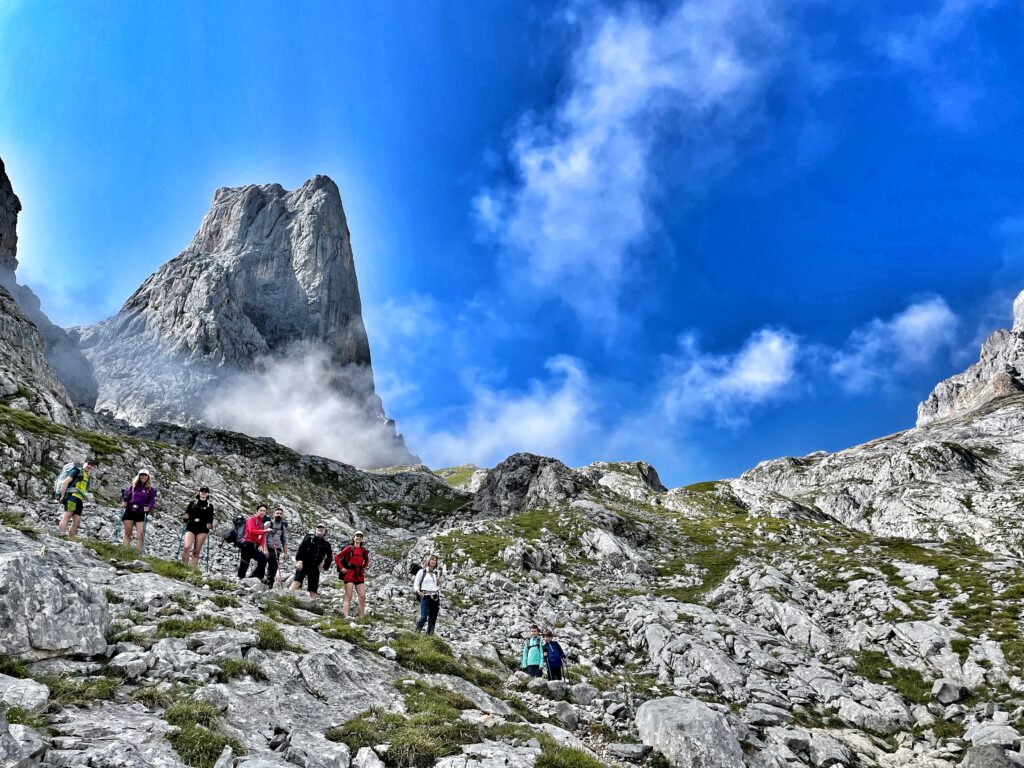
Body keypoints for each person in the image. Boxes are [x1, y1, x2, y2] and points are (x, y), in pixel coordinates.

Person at [290, 523, 333, 602]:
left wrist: (325, 566)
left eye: (322, 529)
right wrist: (299, 561)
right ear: (315, 530)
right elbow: (301, 549)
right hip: (304, 563)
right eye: (318, 528)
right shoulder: (309, 537)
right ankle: (288, 596)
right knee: (297, 580)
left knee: (313, 586)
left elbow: (329, 556)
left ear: (325, 532)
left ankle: (313, 603)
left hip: (315, 566)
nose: (320, 530)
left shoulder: (326, 544)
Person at [335, 531, 370, 618]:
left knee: (362, 596)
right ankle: (346, 617)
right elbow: (337, 557)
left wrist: (364, 567)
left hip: (359, 574)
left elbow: (367, 560)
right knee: (348, 596)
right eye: (357, 536)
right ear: (353, 538)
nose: (358, 538)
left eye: (360, 536)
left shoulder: (363, 550)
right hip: (349, 573)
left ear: (362, 539)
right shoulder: (349, 548)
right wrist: (342, 568)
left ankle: (361, 617)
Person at [56, 459, 94, 538]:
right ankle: (61, 535)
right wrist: (62, 496)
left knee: (77, 521)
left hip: (80, 499)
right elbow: (65, 482)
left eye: (92, 465)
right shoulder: (76, 471)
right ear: (84, 463)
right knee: (67, 515)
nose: (90, 466)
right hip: (71, 496)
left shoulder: (87, 475)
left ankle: (71, 539)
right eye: (88, 463)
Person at [122, 469, 156, 551]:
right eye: (141, 475)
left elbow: (152, 501)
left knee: (140, 534)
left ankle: (136, 554)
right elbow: (126, 496)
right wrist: (124, 501)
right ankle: (124, 551)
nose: (143, 476)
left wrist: (149, 508)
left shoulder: (150, 489)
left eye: (145, 475)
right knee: (128, 533)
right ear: (139, 476)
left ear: (148, 477)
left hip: (141, 512)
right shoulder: (133, 486)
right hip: (130, 510)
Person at [180, 487, 214, 567]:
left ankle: (192, 571)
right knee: (186, 546)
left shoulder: (210, 506)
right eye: (202, 491)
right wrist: (185, 517)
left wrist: (210, 525)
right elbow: (186, 515)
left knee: (196, 551)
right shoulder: (193, 503)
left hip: (202, 529)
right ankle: (183, 567)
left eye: (206, 492)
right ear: (199, 492)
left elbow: (210, 519)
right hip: (191, 526)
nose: (203, 493)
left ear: (208, 494)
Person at [237, 505, 269, 580]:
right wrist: (264, 531)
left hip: (256, 545)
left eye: (264, 511)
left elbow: (262, 536)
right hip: (247, 543)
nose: (262, 512)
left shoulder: (261, 522)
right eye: (260, 510)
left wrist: (261, 545)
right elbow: (251, 531)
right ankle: (240, 578)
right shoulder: (252, 519)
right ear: (257, 511)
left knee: (263, 558)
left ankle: (259, 577)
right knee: (245, 562)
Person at [413, 554, 442, 635]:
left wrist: (438, 581)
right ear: (428, 561)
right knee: (423, 616)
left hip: (435, 596)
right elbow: (416, 583)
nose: (433, 561)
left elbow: (437, 586)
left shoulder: (436, 573)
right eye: (432, 559)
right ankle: (416, 633)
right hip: (425, 596)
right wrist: (418, 592)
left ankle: (430, 635)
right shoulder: (422, 571)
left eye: (435, 560)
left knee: (433, 618)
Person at [264, 506, 290, 587]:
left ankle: (270, 583)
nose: (279, 515)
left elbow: (284, 541)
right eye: (277, 513)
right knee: (264, 564)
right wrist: (265, 549)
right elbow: (263, 537)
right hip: (268, 547)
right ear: (273, 514)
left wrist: (285, 553)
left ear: (283, 516)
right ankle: (258, 579)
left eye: (280, 514)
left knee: (274, 567)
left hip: (277, 549)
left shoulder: (283, 527)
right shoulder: (268, 524)